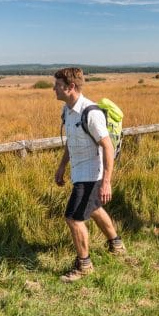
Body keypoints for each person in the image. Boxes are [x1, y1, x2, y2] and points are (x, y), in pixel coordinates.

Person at [53, 67, 125, 283]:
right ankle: (117, 245)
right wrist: (61, 166)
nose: (53, 89)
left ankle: (84, 265)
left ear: (71, 87)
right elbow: (72, 142)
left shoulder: (90, 113)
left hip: (92, 174)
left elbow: (108, 147)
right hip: (79, 171)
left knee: (73, 218)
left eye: (57, 86)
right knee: (93, 209)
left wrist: (106, 182)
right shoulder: (68, 110)